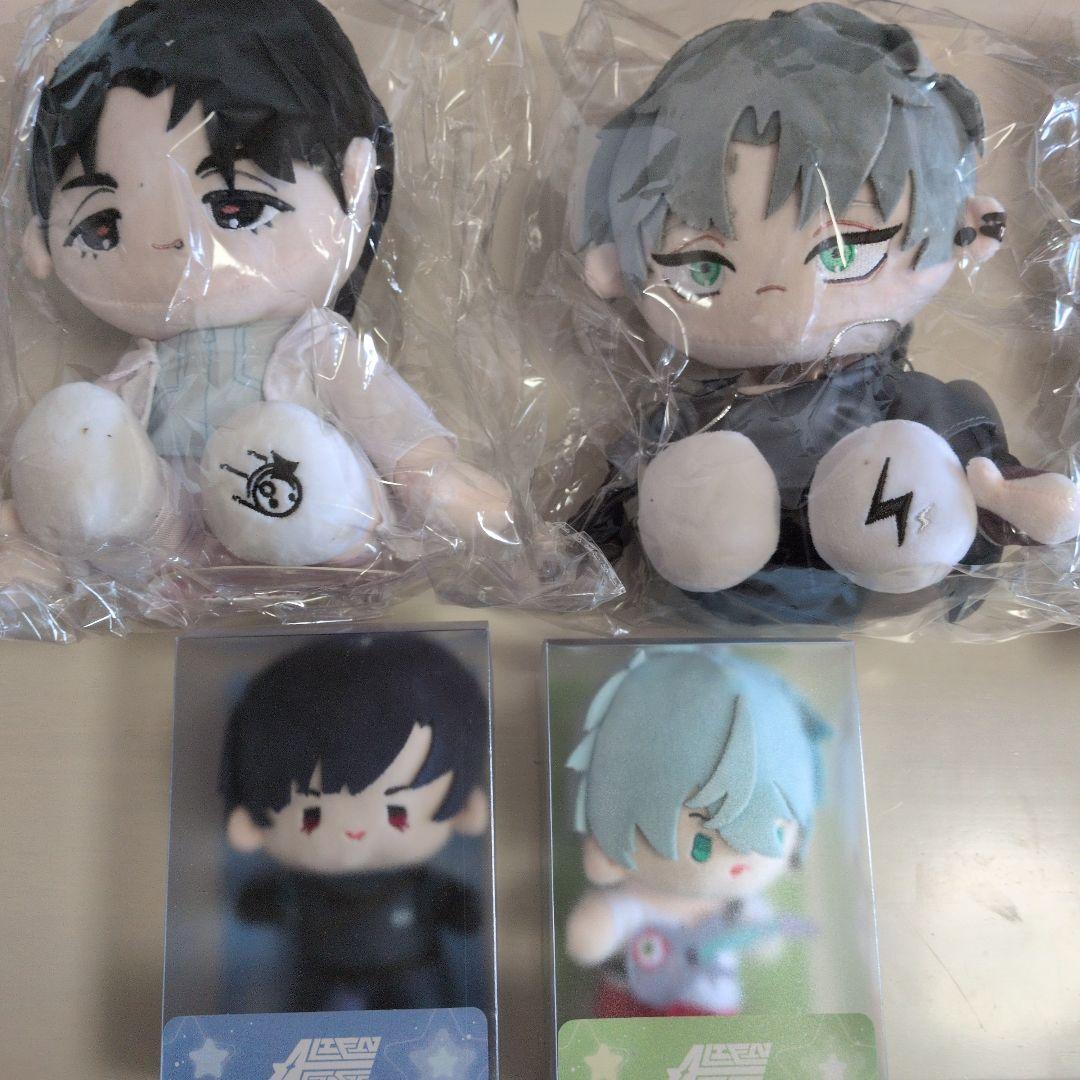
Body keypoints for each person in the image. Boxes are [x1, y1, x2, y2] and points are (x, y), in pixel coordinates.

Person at [574, 3, 1080, 623]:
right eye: (704, 266)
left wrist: (1003, 490)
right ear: (611, 266)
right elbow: (625, 475)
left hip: (875, 572)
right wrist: (590, 535)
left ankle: (903, 537)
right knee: (697, 480)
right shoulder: (696, 411)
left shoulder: (898, 398)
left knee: (911, 460)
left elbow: (963, 444)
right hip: (721, 598)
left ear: (970, 228)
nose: (778, 295)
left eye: (844, 252)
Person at [1, 0, 507, 588]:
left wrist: (428, 471)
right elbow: (106, 441)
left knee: (285, 455)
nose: (177, 245)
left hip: (305, 511)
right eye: (103, 226)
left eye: (237, 207)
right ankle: (75, 539)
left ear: (356, 185)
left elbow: (378, 407)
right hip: (173, 538)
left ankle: (312, 517)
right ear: (41, 243)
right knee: (82, 430)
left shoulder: (317, 345)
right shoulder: (145, 365)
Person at [220, 634, 491, 1012]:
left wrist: (461, 908)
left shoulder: (418, 886)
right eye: (312, 816)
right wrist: (263, 902)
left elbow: (456, 907)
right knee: (309, 1030)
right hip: (323, 974)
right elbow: (261, 904)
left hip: (411, 968)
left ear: (464, 807)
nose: (354, 831)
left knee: (428, 1022)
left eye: (397, 812)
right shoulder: (300, 889)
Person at [566, 648, 826, 1017]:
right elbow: (592, 936)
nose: (738, 862)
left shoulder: (734, 908)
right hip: (632, 1002)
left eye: (776, 836)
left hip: (712, 1015)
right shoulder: (639, 903)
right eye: (701, 845)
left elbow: (764, 940)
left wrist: (763, 931)